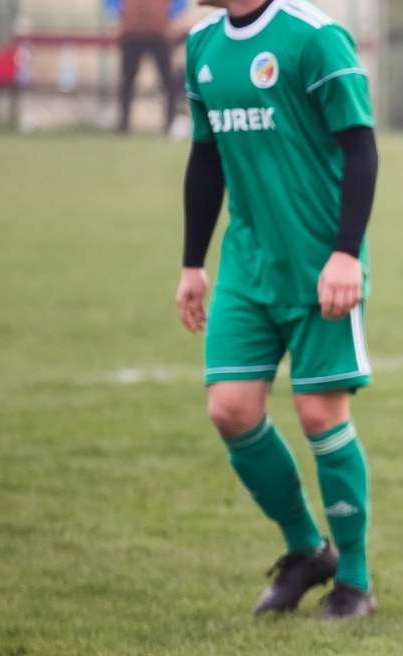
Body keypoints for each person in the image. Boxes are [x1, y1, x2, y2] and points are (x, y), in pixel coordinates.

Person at [176, 0, 379, 618]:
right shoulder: (203, 44)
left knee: (320, 414)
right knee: (231, 410)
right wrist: (192, 262)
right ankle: (306, 550)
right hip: (247, 264)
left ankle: (355, 581)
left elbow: (360, 148)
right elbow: (206, 157)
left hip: (319, 265)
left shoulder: (314, 38)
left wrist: (346, 255)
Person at [117, 0, 179, 133]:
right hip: (132, 34)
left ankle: (169, 124)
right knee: (127, 82)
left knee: (168, 81)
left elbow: (180, 4)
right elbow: (111, 4)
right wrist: (123, 14)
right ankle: (123, 124)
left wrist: (166, 16)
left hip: (159, 34)